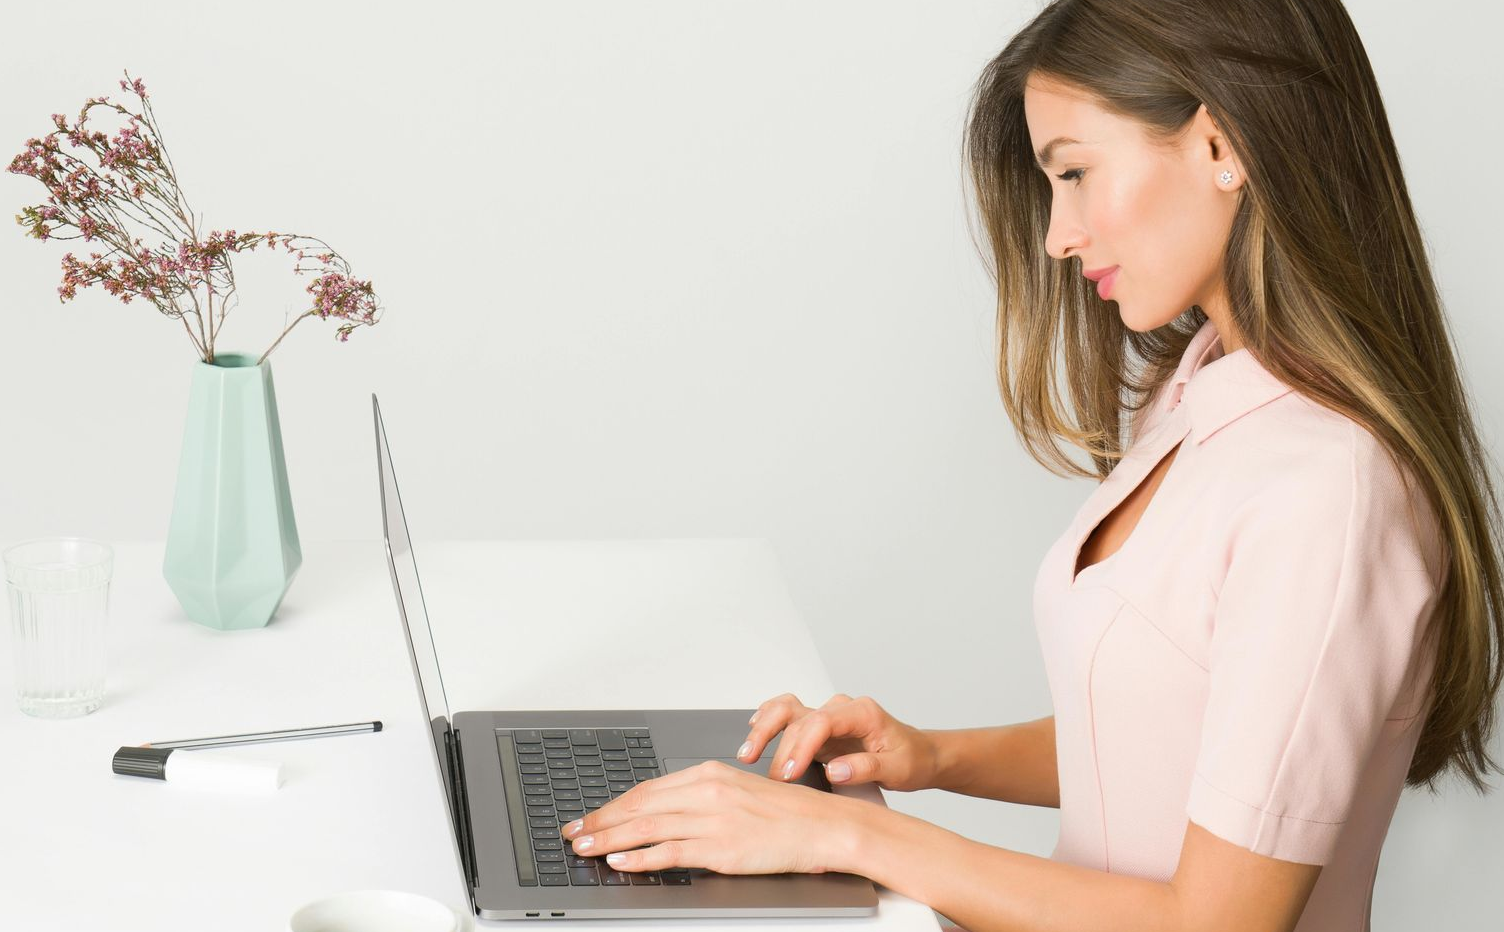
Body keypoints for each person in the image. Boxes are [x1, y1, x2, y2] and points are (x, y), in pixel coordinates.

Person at [557, 0, 1504, 929]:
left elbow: (1220, 921)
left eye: (1076, 173)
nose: (1058, 235)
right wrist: (929, 756)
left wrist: (850, 839)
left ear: (1224, 147)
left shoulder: (1326, 490)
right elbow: (1168, 739)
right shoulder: (1203, 388)